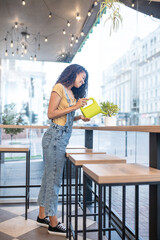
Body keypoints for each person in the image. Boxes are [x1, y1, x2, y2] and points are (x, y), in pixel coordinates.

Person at [37, 64, 90, 236]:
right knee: (54, 180)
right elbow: (51, 114)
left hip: (60, 138)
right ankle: (53, 223)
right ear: (73, 73)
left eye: (84, 80)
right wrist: (75, 107)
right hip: (54, 137)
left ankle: (41, 215)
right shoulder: (58, 88)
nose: (83, 82)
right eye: (81, 77)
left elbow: (65, 115)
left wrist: (79, 117)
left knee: (48, 177)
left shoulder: (72, 93)